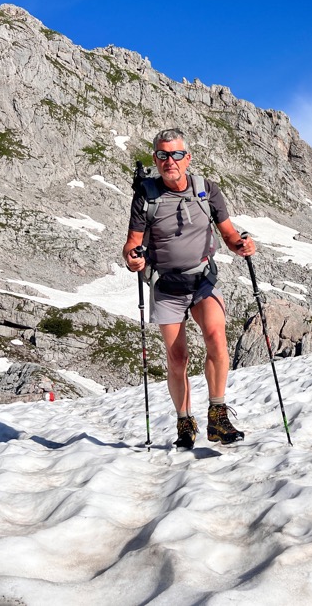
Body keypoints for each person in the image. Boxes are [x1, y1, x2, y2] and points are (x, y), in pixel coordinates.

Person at [122, 128, 256, 448]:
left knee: (215, 338)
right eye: (164, 155)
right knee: (177, 356)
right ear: (156, 158)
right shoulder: (147, 196)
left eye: (177, 154)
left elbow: (228, 234)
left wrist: (242, 245)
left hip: (202, 280)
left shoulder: (206, 190)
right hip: (166, 285)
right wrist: (134, 261)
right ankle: (184, 421)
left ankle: (217, 416)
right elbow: (132, 246)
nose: (171, 161)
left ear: (188, 158)